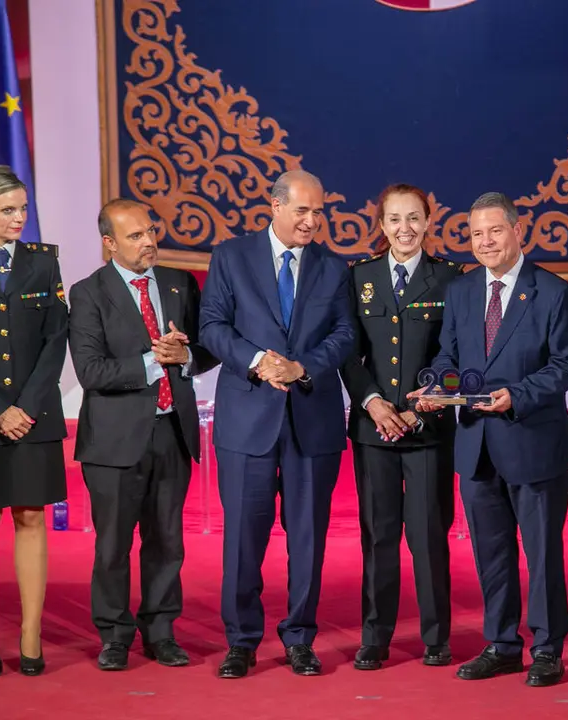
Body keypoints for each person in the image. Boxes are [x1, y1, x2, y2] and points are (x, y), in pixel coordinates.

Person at [409, 191, 568, 687]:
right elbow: (449, 358)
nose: (485, 242)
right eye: (476, 234)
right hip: (475, 444)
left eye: (494, 231)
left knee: (543, 553)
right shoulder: (463, 291)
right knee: (492, 552)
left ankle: (548, 648)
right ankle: (502, 644)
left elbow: (566, 365)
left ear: (516, 230)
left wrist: (517, 395)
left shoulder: (553, 292)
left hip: (532, 441)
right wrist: (436, 388)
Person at [199, 169, 355, 678]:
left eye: (319, 212)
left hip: (313, 417)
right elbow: (213, 326)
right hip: (248, 419)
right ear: (275, 206)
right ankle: (241, 641)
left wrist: (301, 366)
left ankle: (300, 638)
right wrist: (258, 360)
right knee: (243, 535)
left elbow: (345, 333)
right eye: (303, 211)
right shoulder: (231, 256)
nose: (312, 221)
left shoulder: (335, 267)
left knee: (307, 536)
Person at [68, 198, 218, 671]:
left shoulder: (178, 283)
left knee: (167, 541)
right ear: (109, 243)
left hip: (171, 432)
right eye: (135, 236)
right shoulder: (88, 292)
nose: (149, 241)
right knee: (113, 544)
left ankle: (160, 631)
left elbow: (205, 349)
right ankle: (114, 635)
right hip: (114, 442)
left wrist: (187, 356)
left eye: (151, 231)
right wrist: (158, 360)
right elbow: (91, 371)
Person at [340, 184, 462, 670]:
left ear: (429, 222)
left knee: (429, 534)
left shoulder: (451, 279)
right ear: (382, 224)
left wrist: (419, 409)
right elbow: (347, 351)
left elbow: (456, 355)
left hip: (427, 429)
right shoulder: (359, 277)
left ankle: (436, 636)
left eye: (414, 219)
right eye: (394, 219)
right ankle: (375, 636)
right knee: (378, 534)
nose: (404, 229)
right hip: (374, 429)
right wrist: (372, 403)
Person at [0, 164, 68, 677]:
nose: (20, 218)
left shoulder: (44, 264)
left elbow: (55, 341)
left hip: (34, 415)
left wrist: (24, 407)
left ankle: (30, 632)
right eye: (8, 210)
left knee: (31, 517)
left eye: (23, 209)